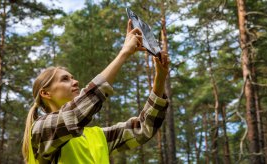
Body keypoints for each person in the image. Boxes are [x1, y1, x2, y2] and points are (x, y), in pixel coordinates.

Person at [22, 19, 170, 163]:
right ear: (46, 93)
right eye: (65, 79)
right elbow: (75, 114)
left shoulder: (99, 136)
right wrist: (123, 53)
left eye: (73, 78)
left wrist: (160, 78)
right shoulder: (41, 131)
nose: (75, 81)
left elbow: (144, 128)